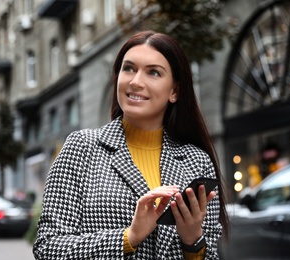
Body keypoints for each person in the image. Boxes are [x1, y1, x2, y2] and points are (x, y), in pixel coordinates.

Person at [33, 31, 228, 259]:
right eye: (129, 69)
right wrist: (128, 238)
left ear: (174, 91)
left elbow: (211, 255)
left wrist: (192, 242)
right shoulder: (81, 148)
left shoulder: (197, 161)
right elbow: (47, 248)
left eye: (153, 72)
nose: (136, 82)